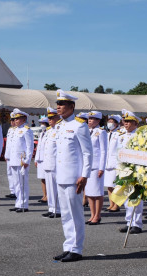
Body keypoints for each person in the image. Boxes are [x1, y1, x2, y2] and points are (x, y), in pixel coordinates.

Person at [53, 89, 92, 262]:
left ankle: (76, 249)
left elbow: (87, 153)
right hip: (61, 176)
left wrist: (84, 175)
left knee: (75, 213)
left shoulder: (79, 125)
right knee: (66, 214)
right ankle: (68, 246)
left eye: (61, 104)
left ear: (71, 106)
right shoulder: (61, 125)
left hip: (73, 177)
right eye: (58, 104)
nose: (58, 107)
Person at [117, 109, 144, 234]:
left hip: (135, 171)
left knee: (136, 198)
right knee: (127, 197)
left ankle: (137, 224)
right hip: (123, 170)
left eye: (129, 121)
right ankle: (129, 222)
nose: (125, 124)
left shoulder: (140, 136)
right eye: (124, 121)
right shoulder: (121, 136)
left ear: (135, 123)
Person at [8, 108, 34, 212]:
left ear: (24, 119)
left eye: (18, 118)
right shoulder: (15, 130)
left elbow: (29, 147)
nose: (15, 120)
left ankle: (23, 204)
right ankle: (18, 203)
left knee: (22, 183)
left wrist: (27, 160)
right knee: (16, 184)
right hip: (14, 160)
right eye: (15, 119)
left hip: (21, 161)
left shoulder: (26, 130)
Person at [85, 111, 107, 225]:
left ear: (98, 121)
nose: (90, 120)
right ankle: (92, 214)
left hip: (96, 165)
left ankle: (97, 215)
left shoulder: (101, 132)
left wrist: (101, 168)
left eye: (93, 119)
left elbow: (103, 151)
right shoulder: (87, 132)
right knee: (89, 192)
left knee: (97, 193)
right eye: (89, 118)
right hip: (88, 166)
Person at [42, 107, 61, 218]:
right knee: (50, 187)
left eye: (52, 118)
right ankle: (51, 208)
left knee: (56, 188)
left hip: (55, 164)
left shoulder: (59, 130)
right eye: (49, 118)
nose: (50, 120)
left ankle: (57, 209)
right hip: (48, 163)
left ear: (58, 117)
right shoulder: (49, 131)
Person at [104, 114, 122, 212]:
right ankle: (111, 204)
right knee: (109, 185)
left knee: (116, 186)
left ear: (116, 123)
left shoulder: (119, 134)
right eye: (109, 121)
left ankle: (116, 205)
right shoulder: (107, 133)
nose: (109, 123)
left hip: (115, 163)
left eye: (112, 122)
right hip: (107, 163)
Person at [35, 117, 50, 206]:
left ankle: (49, 196)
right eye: (41, 123)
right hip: (40, 159)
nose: (42, 125)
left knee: (47, 179)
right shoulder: (41, 133)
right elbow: (38, 148)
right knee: (42, 178)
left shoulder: (49, 133)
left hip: (46, 159)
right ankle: (44, 195)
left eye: (43, 123)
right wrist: (36, 159)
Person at [4, 113, 16, 199]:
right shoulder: (10, 130)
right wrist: (6, 154)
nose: (12, 122)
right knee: (9, 173)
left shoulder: (19, 130)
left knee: (15, 174)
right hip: (9, 155)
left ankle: (16, 190)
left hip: (15, 155)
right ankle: (12, 190)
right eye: (11, 120)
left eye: (13, 120)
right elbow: (8, 144)